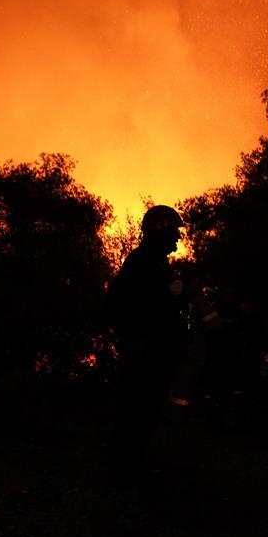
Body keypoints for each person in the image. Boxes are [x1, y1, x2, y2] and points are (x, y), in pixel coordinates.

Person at [106, 205, 187, 487]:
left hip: (153, 349)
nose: (178, 238)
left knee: (144, 410)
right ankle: (125, 470)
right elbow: (139, 308)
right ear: (160, 232)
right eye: (174, 232)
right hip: (144, 351)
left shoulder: (152, 263)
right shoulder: (144, 264)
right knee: (136, 409)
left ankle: (129, 465)